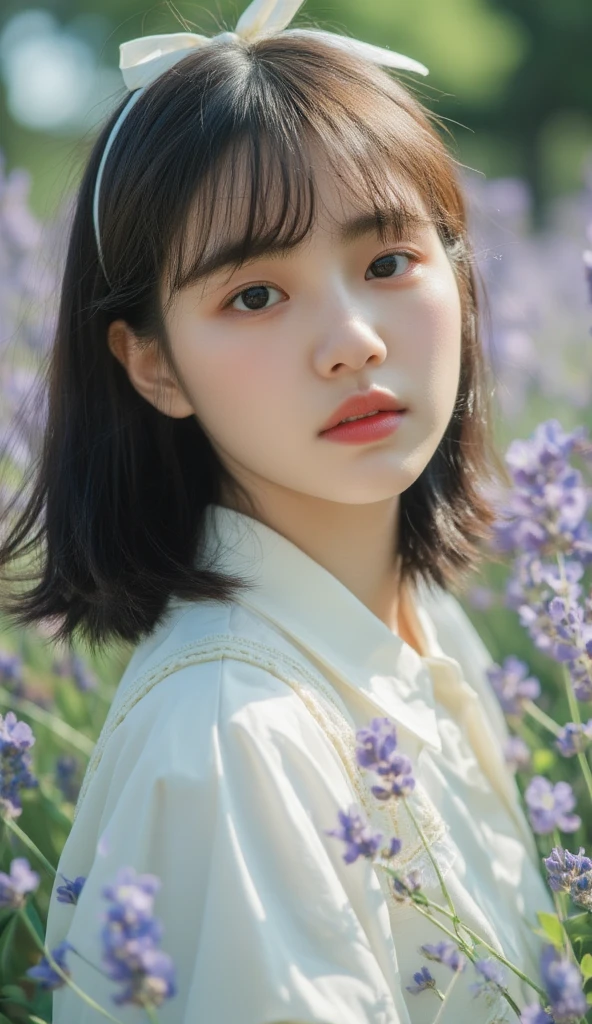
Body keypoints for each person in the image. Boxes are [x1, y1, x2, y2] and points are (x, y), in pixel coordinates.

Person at [0, 0, 554, 1020]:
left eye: (388, 262)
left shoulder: (422, 621)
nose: (351, 341)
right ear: (153, 362)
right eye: (255, 293)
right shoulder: (230, 736)